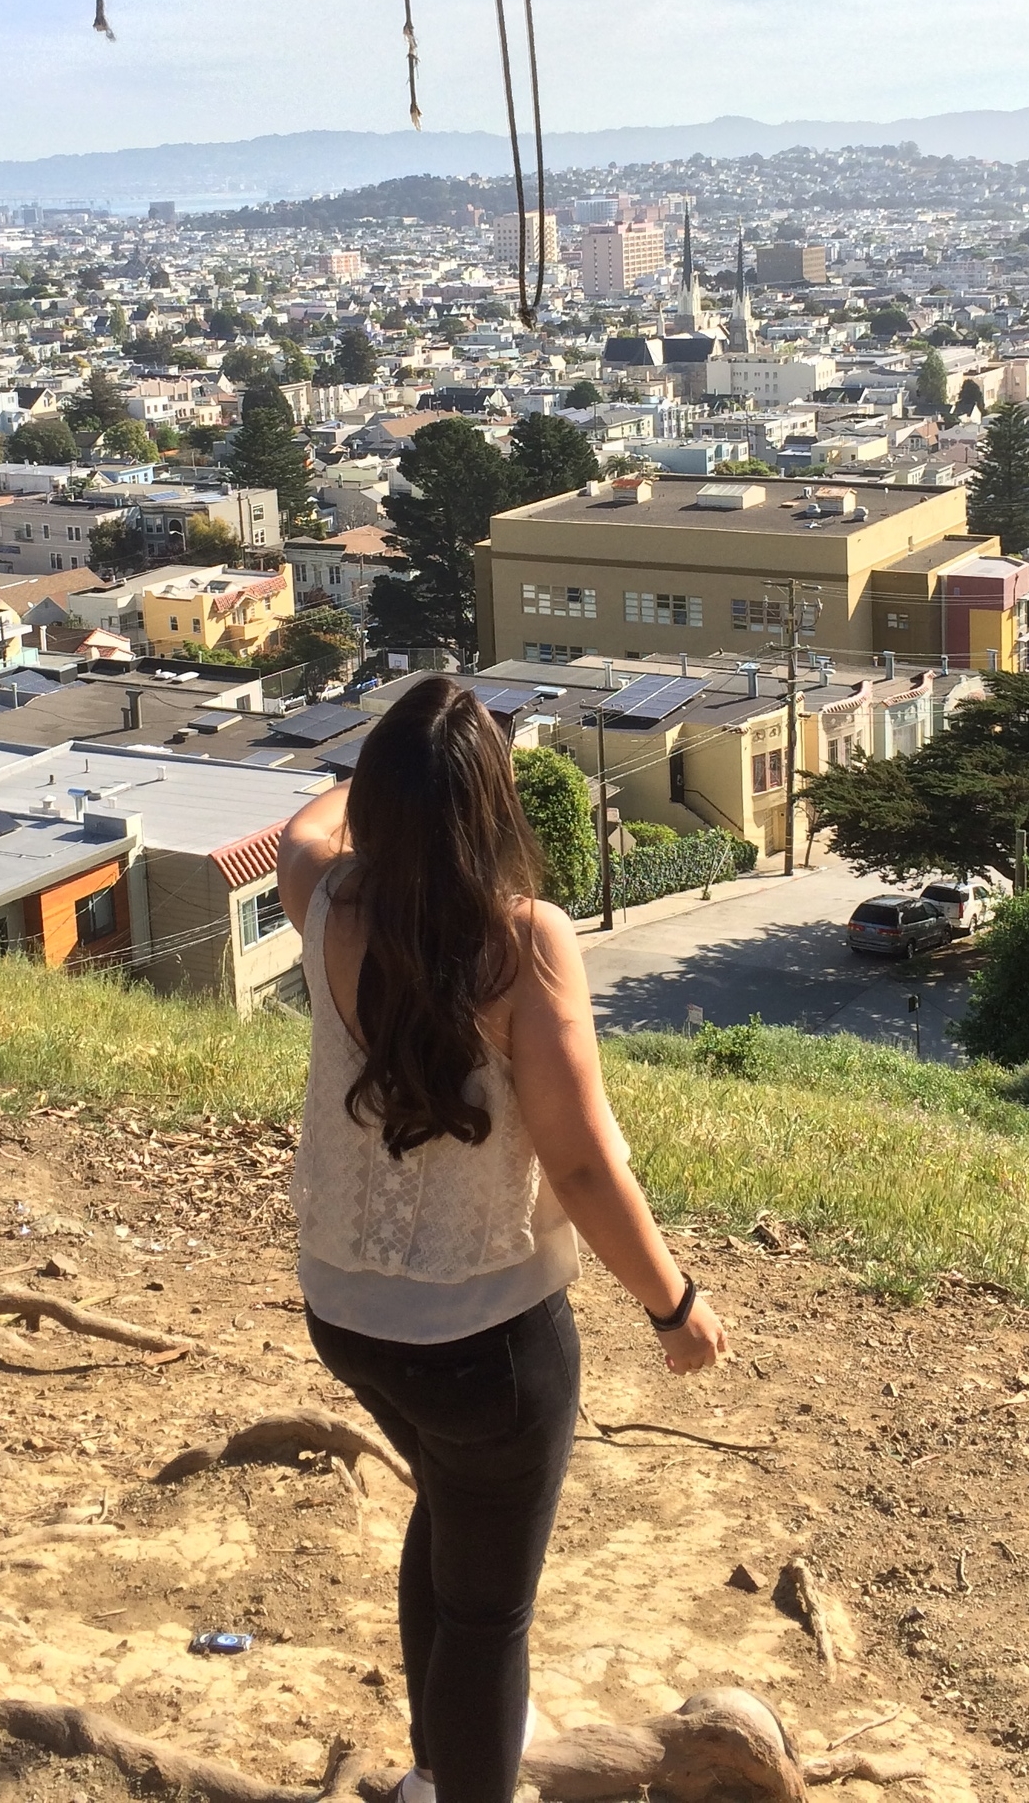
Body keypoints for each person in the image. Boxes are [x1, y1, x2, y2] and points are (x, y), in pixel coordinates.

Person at [277, 675, 726, 1803]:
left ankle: (434, 1775)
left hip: (348, 1314)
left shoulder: (329, 899)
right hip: (491, 1342)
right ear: (493, 805)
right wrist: (675, 1305)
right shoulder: (523, 945)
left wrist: (386, 782)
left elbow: (301, 827)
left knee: (447, 1514)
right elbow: (578, 1162)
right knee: (489, 1611)